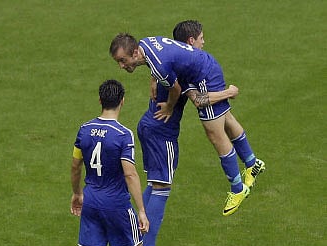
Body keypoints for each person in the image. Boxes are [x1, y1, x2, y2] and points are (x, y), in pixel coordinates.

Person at [109, 29, 265, 216]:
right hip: (199, 68)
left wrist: (168, 107)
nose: (121, 66)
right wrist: (154, 78)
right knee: (227, 119)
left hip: (203, 77)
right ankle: (252, 163)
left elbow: (175, 89)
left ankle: (238, 189)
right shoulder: (145, 44)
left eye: (122, 60)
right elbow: (162, 59)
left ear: (135, 53)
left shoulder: (159, 66)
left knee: (215, 134)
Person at [138, 23, 241, 246]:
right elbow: (198, 99)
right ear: (190, 42)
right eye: (201, 39)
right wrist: (229, 92)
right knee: (161, 188)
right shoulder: (183, 73)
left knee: (153, 185)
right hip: (162, 133)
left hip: (148, 127)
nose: (203, 44)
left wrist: (153, 79)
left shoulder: (165, 63)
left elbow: (157, 66)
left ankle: (135, 240)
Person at [71, 79, 149, 246]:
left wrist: (76, 193)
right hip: (115, 202)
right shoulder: (123, 135)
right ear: (122, 101)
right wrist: (141, 210)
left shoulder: (84, 130)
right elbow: (130, 174)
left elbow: (75, 166)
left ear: (100, 100)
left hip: (91, 199)